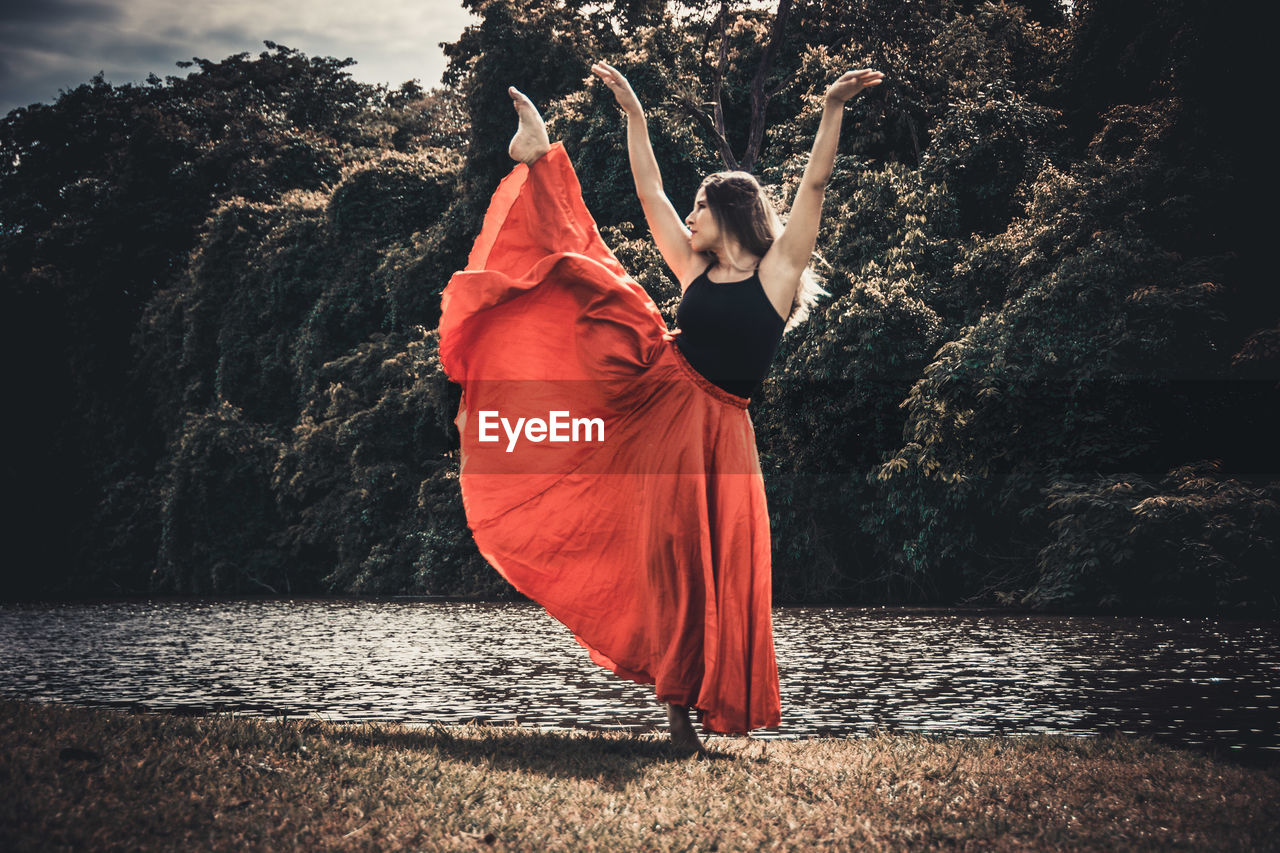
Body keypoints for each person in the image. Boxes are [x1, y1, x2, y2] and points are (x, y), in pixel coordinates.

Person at [438, 61, 882, 754]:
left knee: (717, 567)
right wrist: (635, 117)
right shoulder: (694, 270)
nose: (690, 217)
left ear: (730, 212)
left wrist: (831, 109)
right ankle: (539, 157)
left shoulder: (775, 275)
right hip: (654, 404)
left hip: (722, 431)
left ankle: (705, 709)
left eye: (700, 208)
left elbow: (814, 187)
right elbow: (650, 193)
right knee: (590, 277)